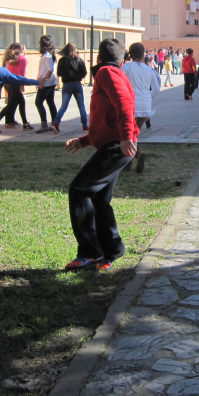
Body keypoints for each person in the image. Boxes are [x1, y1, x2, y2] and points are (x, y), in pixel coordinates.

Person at [63, 38, 139, 272]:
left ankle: (90, 251)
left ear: (98, 58)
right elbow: (106, 120)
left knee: (79, 189)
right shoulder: (114, 72)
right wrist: (84, 141)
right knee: (98, 199)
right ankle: (112, 250)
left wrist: (126, 135)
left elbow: (123, 103)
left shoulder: (106, 72)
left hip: (118, 146)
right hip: (117, 143)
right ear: (123, 59)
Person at [122, 42, 161, 174]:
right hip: (145, 106)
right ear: (143, 53)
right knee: (134, 134)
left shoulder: (126, 68)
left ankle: (133, 158)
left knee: (127, 135)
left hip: (130, 105)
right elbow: (156, 89)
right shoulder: (149, 69)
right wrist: (147, 97)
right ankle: (132, 159)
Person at [0, 42, 33, 132]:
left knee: (21, 102)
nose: (25, 50)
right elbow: (21, 73)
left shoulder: (11, 58)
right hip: (15, 83)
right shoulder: (22, 58)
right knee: (11, 105)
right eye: (24, 48)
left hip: (8, 83)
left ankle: (25, 124)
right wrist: (22, 85)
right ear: (21, 50)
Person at [48, 42, 88, 134]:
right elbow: (84, 72)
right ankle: (85, 125)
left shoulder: (62, 60)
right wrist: (79, 76)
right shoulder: (79, 60)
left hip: (66, 85)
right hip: (77, 84)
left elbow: (59, 73)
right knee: (81, 105)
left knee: (64, 106)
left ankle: (56, 123)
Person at [34, 35, 58, 133]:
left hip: (46, 84)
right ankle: (54, 124)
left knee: (38, 102)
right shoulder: (48, 55)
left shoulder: (47, 56)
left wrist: (43, 81)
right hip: (50, 83)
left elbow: (50, 70)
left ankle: (45, 124)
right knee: (50, 102)